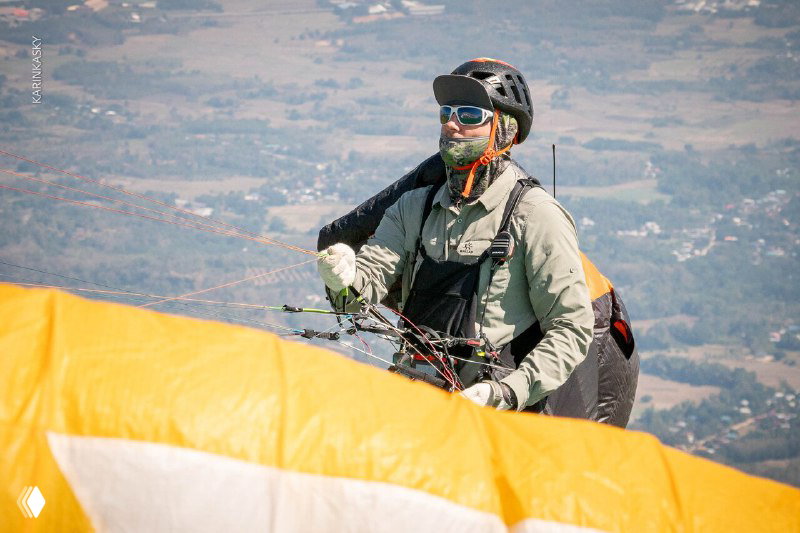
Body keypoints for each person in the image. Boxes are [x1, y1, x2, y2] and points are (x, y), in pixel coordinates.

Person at [318, 58, 594, 411]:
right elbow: (364, 290)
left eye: (468, 115)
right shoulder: (413, 207)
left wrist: (506, 392)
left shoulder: (536, 215)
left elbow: (572, 326)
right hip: (414, 399)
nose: (451, 124)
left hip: (496, 415)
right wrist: (341, 278)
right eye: (446, 113)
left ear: (506, 131)